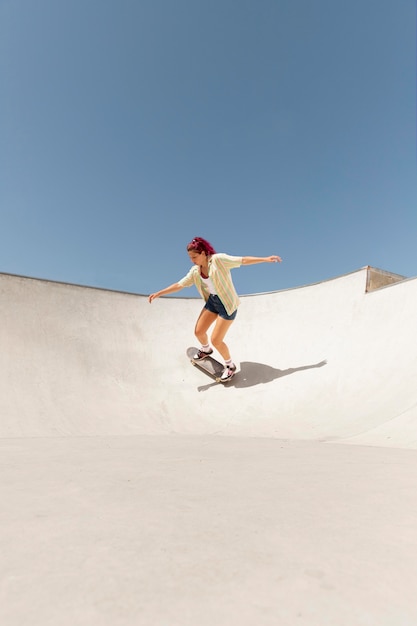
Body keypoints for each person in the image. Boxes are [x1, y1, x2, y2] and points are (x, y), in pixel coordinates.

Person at [149, 237, 282, 381]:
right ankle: (206, 349)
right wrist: (159, 293)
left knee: (216, 340)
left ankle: (230, 366)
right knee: (199, 332)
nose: (192, 260)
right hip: (212, 302)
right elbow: (180, 285)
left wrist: (265, 259)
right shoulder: (195, 271)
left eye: (194, 257)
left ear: (204, 253)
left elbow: (242, 260)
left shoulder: (219, 260)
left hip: (227, 305)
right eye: (190, 257)